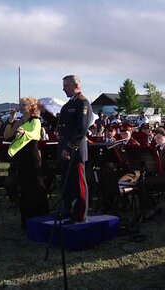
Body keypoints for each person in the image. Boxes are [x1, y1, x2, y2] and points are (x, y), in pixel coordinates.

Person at [5, 97, 49, 228]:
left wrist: (25, 132)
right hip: (21, 158)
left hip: (32, 157)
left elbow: (35, 134)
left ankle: (42, 217)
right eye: (20, 105)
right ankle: (28, 220)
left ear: (31, 106)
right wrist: (11, 119)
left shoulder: (35, 120)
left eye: (24, 105)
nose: (21, 107)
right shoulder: (20, 121)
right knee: (24, 189)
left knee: (36, 186)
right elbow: (7, 135)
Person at [55, 75, 94, 224]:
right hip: (65, 149)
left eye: (66, 86)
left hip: (75, 151)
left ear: (75, 85)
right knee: (67, 182)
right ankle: (67, 209)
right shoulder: (69, 104)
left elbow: (82, 128)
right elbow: (62, 125)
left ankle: (80, 214)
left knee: (79, 184)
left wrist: (69, 148)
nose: (63, 88)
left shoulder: (82, 103)